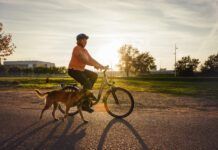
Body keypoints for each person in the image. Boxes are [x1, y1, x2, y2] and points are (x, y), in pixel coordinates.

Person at [68, 33, 105, 113]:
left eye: (86, 40)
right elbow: (83, 60)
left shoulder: (85, 51)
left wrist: (101, 65)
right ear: (79, 41)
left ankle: (86, 94)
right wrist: (94, 65)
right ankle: (85, 104)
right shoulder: (76, 49)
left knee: (94, 75)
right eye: (84, 40)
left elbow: (91, 59)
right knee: (87, 83)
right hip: (73, 70)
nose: (85, 42)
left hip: (80, 70)